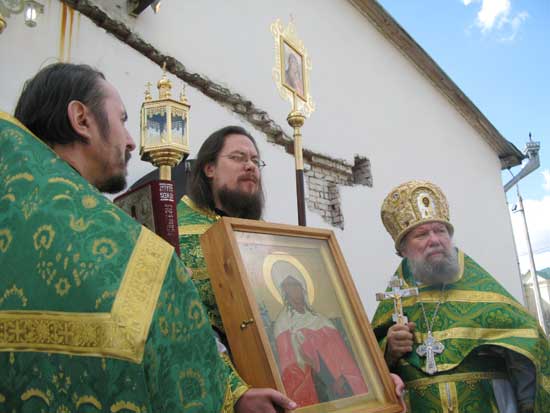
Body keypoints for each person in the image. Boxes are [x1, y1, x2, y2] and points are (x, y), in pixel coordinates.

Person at [0, 62, 290, 413]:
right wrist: (235, 394)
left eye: (256, 161)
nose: (131, 140)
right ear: (81, 120)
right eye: (122, 120)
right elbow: (181, 351)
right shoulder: (130, 247)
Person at [177, 126, 406, 411]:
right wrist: (236, 394)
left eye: (255, 160)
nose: (249, 165)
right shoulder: (177, 234)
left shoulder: (261, 240)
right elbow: (186, 326)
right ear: (209, 168)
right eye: (237, 157)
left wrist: (375, 382)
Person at [372, 180, 550, 413]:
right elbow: (362, 369)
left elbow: (530, 350)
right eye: (422, 234)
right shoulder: (395, 299)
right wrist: (387, 349)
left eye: (441, 230)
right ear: (403, 250)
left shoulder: (485, 292)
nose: (434, 240)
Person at [274, 274, 369, 407]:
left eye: (297, 285)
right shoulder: (283, 323)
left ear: (303, 288)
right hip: (311, 380)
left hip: (337, 378)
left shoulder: (321, 319)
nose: (294, 289)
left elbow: (342, 353)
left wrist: (341, 375)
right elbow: (287, 361)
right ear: (284, 291)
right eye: (289, 286)